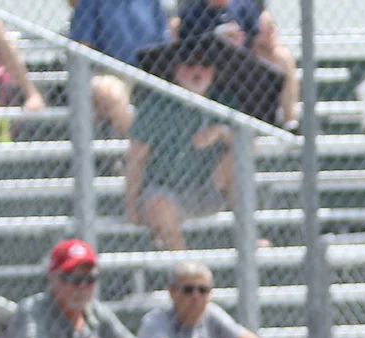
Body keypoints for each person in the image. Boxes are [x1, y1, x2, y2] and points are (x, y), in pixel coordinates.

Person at [124, 41, 238, 250]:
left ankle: (248, 235)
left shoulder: (224, 101)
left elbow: (249, 146)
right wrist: (131, 207)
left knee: (235, 156)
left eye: (205, 65)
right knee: (159, 205)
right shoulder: (156, 104)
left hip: (207, 191)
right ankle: (185, 264)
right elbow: (136, 159)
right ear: (176, 70)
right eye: (190, 65)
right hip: (163, 190)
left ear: (213, 72)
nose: (197, 71)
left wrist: (221, 132)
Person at [1, 239, 150, 338]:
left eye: (90, 278)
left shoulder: (97, 311)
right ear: (52, 279)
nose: (82, 287)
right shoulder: (33, 308)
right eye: (73, 279)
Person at [173, 0, 300, 127]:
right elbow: (187, 48)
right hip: (209, 66)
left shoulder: (242, 6)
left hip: (242, 65)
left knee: (283, 56)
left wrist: (244, 40)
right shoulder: (192, 11)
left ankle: (290, 124)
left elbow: (255, 38)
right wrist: (218, 38)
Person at [68, 0, 170, 136]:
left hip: (150, 72)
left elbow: (164, 44)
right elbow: (81, 47)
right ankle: (139, 144)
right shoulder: (90, 2)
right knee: (111, 93)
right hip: (108, 72)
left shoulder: (151, 3)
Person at [138, 261, 268, 338]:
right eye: (188, 290)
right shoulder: (156, 319)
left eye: (203, 290)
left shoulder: (212, 313)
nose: (196, 297)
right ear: (172, 292)